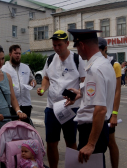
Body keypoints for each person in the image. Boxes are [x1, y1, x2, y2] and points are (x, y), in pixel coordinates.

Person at [65, 29, 116, 167]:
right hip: (100, 127)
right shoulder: (105, 64)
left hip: (92, 129)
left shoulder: (94, 69)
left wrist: (90, 144)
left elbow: (100, 109)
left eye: (76, 47)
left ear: (81, 45)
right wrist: (80, 93)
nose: (77, 52)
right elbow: (100, 93)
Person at [36, 30, 86, 168]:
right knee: (51, 143)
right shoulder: (50, 59)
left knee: (71, 143)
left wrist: (79, 94)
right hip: (51, 109)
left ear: (67, 43)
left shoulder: (77, 59)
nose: (57, 48)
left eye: (59, 45)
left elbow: (84, 81)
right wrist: (43, 88)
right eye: (54, 45)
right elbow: (46, 77)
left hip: (70, 108)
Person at [98, 37, 121, 168]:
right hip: (96, 110)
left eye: (100, 50)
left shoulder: (114, 65)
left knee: (110, 142)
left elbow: (117, 91)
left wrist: (115, 113)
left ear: (105, 49)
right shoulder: (93, 62)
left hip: (108, 111)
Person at [1, 45, 36, 123]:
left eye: (19, 53)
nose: (18, 55)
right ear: (10, 54)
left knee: (25, 128)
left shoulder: (26, 67)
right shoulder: (4, 69)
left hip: (26, 104)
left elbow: (32, 79)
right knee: (13, 128)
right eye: (15, 53)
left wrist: (32, 82)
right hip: (11, 105)